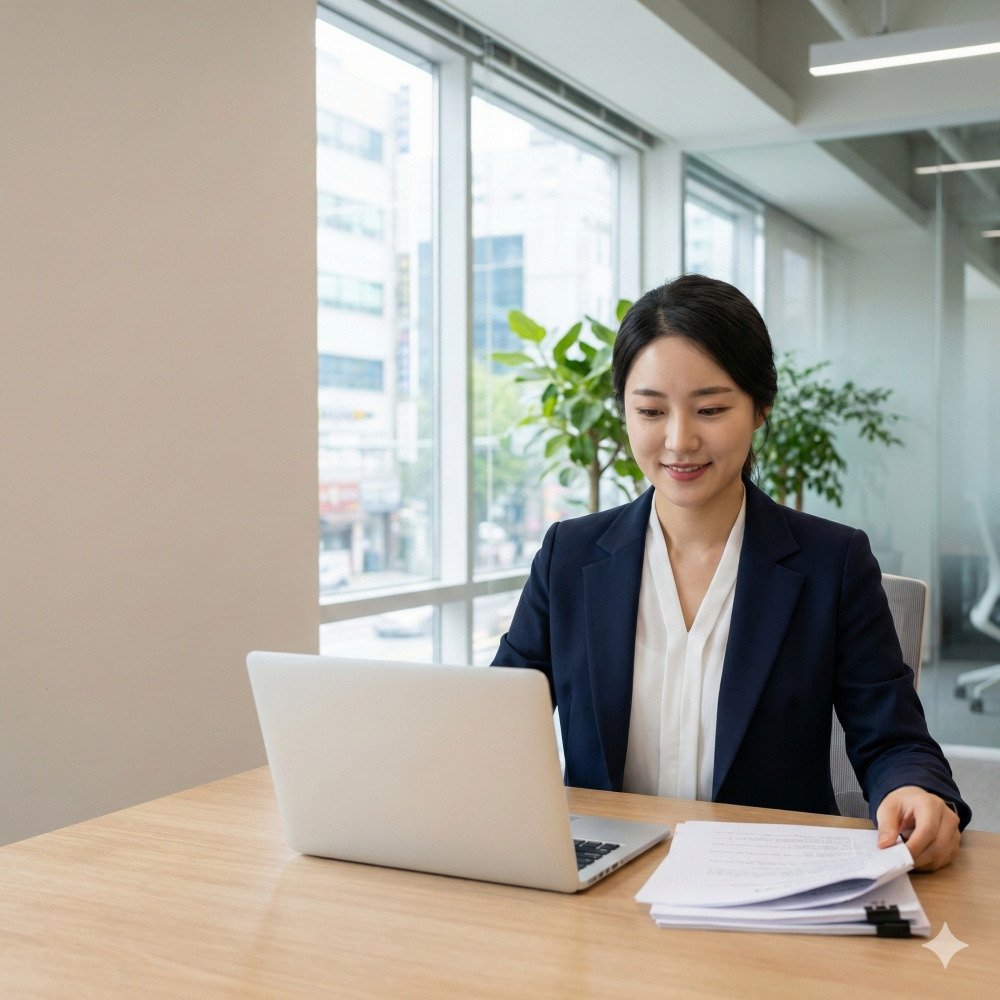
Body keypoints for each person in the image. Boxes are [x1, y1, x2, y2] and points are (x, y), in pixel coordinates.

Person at [493, 273, 969, 871]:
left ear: (760, 409)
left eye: (711, 409)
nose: (678, 440)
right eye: (649, 410)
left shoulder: (833, 563)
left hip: (766, 880)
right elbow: (502, 722)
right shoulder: (569, 555)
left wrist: (916, 791)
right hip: (602, 878)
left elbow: (893, 738)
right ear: (625, 414)